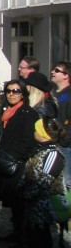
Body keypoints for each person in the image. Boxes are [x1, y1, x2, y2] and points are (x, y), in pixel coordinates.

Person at [18, 118, 68, 248]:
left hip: (43, 203)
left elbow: (44, 179)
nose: (34, 132)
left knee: (39, 234)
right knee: (36, 232)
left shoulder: (53, 153)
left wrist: (28, 193)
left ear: (44, 134)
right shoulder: (42, 149)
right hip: (35, 201)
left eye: (36, 130)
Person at [0, 79, 40, 248]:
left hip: (17, 163)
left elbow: (29, 141)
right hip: (6, 161)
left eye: (15, 91)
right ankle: (16, 232)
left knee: (20, 203)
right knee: (13, 202)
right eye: (8, 91)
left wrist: (14, 157)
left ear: (23, 94)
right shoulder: (8, 111)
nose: (11, 94)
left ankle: (23, 238)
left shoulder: (28, 113)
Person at [51, 60, 71, 188]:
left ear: (66, 75)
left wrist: (65, 140)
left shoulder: (69, 94)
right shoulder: (53, 93)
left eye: (57, 70)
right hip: (53, 143)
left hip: (65, 145)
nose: (53, 72)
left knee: (66, 182)